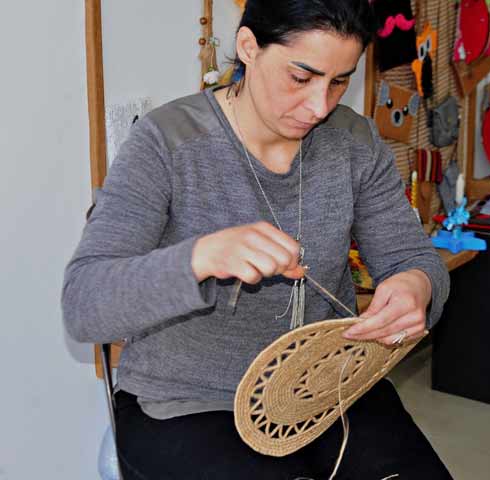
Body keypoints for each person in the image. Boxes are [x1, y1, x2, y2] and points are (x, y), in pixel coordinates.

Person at [62, 1, 451, 478]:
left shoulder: (353, 141)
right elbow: (84, 304)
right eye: (301, 77)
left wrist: (417, 285)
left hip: (327, 386)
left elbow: (412, 256)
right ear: (248, 47)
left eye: (339, 81)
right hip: (193, 404)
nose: (319, 106)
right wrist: (200, 257)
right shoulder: (167, 142)